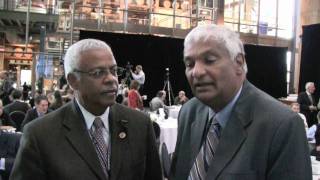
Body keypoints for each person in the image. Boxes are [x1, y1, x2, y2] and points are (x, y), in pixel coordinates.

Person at [169, 25, 311, 180]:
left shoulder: (282, 125)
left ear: (239, 62)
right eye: (189, 64)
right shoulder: (189, 112)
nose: (196, 72)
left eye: (209, 61)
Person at [10, 39, 162, 180]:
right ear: (73, 81)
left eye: (114, 70)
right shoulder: (40, 135)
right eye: (98, 73)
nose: (111, 79)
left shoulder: (140, 124)